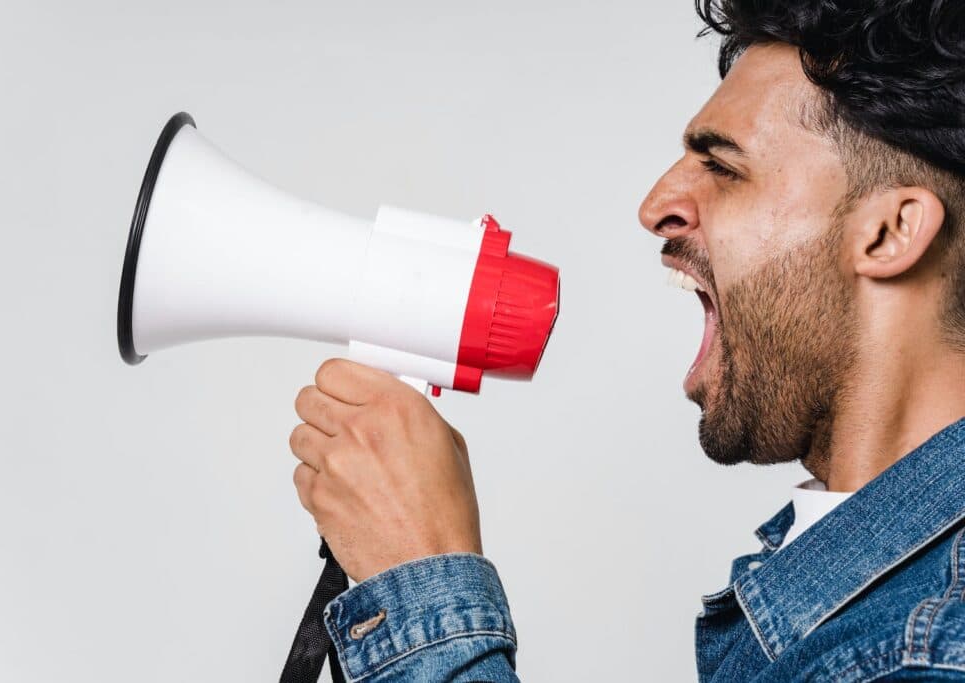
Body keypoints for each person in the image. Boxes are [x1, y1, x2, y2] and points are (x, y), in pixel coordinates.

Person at [287, 1, 965, 680]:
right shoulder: (852, 596)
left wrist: (423, 580)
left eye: (723, 167)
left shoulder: (931, 651)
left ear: (890, 232)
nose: (655, 205)